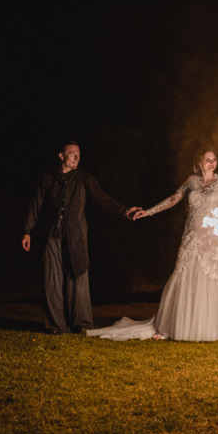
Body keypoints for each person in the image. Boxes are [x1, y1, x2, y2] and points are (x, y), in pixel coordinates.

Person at [87, 149, 218, 342]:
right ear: (199, 162)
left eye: (214, 160)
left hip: (213, 240)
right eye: (208, 159)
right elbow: (174, 198)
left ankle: (205, 328)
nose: (212, 163)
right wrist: (149, 212)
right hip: (191, 237)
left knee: (209, 277)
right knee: (184, 276)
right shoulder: (192, 181)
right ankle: (176, 325)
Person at [22, 140, 138, 334]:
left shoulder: (84, 179)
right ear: (61, 156)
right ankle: (56, 326)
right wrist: (27, 230)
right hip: (51, 235)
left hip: (75, 235)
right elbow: (36, 204)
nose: (76, 157)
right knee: (52, 280)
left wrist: (125, 211)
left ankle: (82, 324)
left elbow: (102, 199)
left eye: (78, 154)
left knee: (78, 277)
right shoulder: (47, 177)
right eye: (72, 154)